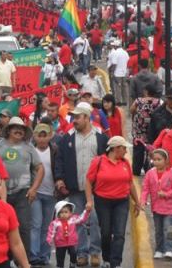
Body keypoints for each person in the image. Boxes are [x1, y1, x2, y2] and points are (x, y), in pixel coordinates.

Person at [54, 102, 108, 267]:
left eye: (77, 117)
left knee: (95, 220)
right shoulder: (67, 138)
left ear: (86, 117)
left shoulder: (101, 137)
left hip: (97, 189)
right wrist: (60, 178)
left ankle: (95, 252)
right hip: (75, 187)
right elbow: (59, 159)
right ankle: (82, 252)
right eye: (73, 117)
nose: (74, 120)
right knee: (78, 221)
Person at [0, 116, 44, 256]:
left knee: (24, 227)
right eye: (15, 128)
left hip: (23, 193)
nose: (18, 131)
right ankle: (3, 259)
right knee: (1, 226)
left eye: (21, 129)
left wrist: (34, 189)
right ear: (8, 130)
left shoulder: (29, 147)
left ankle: (23, 261)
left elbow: (40, 168)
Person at [85, 136, 142, 268]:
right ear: (116, 148)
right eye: (124, 148)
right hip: (102, 201)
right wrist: (89, 200)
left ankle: (115, 263)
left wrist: (137, 202)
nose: (126, 151)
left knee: (120, 233)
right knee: (105, 232)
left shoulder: (125, 163)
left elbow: (130, 183)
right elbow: (89, 181)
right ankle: (106, 258)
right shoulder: (98, 161)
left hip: (121, 201)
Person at [141, 149, 172, 260]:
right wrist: (143, 201)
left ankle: (169, 249)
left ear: (166, 160)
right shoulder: (150, 173)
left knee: (167, 228)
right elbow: (145, 189)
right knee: (158, 229)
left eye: (159, 159)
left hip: (169, 207)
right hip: (156, 207)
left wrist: (166, 194)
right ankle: (159, 249)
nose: (156, 162)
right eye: (154, 159)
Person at [30, 123, 57, 266]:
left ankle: (44, 255)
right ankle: (33, 255)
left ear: (50, 136)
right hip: (35, 193)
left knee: (47, 226)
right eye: (39, 135)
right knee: (36, 223)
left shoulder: (55, 150)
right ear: (34, 136)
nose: (41, 139)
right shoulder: (31, 151)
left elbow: (59, 168)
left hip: (51, 193)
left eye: (44, 135)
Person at [46, 201, 91, 268]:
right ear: (58, 213)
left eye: (66, 212)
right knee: (60, 256)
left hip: (72, 242)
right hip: (60, 243)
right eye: (61, 212)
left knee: (73, 253)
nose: (63, 214)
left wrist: (86, 212)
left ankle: (73, 263)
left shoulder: (73, 219)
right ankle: (60, 265)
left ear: (70, 213)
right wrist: (50, 239)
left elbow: (81, 219)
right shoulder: (55, 223)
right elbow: (51, 231)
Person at [130, 84, 162, 175]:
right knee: (151, 150)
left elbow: (131, 110)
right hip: (151, 131)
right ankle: (149, 169)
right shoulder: (158, 101)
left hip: (139, 131)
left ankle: (136, 169)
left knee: (138, 150)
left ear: (146, 91)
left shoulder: (139, 100)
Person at [106, 40, 129, 105]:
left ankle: (118, 101)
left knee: (117, 87)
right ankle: (125, 101)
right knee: (124, 87)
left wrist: (112, 72)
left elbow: (114, 64)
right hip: (124, 72)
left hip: (117, 73)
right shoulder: (125, 52)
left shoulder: (115, 53)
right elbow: (128, 61)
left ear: (115, 46)